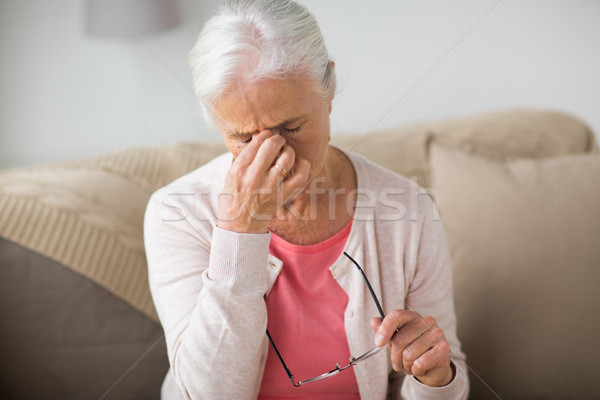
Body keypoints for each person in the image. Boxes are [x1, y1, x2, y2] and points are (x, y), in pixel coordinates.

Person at [144, 0, 469, 398]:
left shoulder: (410, 210)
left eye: (292, 126)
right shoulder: (175, 211)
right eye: (244, 139)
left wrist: (433, 375)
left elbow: (447, 372)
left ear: (328, 90)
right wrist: (240, 229)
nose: (276, 157)